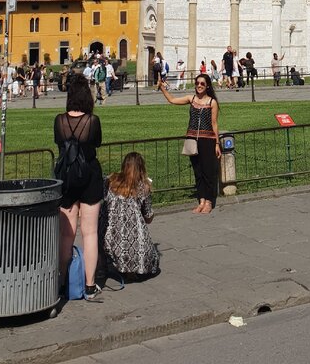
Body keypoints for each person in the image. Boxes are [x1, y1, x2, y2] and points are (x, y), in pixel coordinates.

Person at [54, 76, 103, 299]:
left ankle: (62, 281)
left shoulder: (59, 120)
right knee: (90, 232)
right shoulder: (93, 121)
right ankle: (90, 285)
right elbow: (96, 142)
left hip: (67, 177)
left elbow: (59, 143)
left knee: (67, 234)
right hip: (89, 175)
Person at [158, 72, 220, 213]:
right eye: (197, 83)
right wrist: (162, 88)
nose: (199, 85)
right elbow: (172, 100)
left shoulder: (212, 102)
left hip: (207, 140)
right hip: (192, 139)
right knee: (198, 171)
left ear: (207, 86)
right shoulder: (191, 99)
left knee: (208, 172)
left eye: (202, 83)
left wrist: (217, 144)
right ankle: (201, 200)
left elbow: (214, 124)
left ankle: (209, 201)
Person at [101, 152, 160, 281]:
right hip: (136, 241)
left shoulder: (110, 181)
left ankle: (112, 265)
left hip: (110, 236)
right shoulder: (143, 187)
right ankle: (132, 269)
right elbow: (148, 217)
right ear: (142, 168)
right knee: (154, 258)